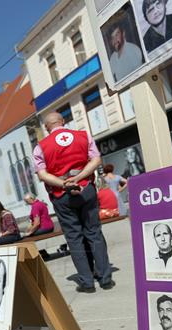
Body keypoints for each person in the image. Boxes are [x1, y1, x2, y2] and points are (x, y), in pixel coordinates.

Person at [33, 112, 114, 293]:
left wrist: (64, 183)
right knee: (94, 233)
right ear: (63, 122)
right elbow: (96, 160)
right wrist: (79, 177)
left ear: (47, 127)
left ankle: (87, 282)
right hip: (86, 189)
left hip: (62, 195)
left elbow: (42, 174)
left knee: (74, 238)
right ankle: (105, 278)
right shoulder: (83, 136)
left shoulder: (40, 147)